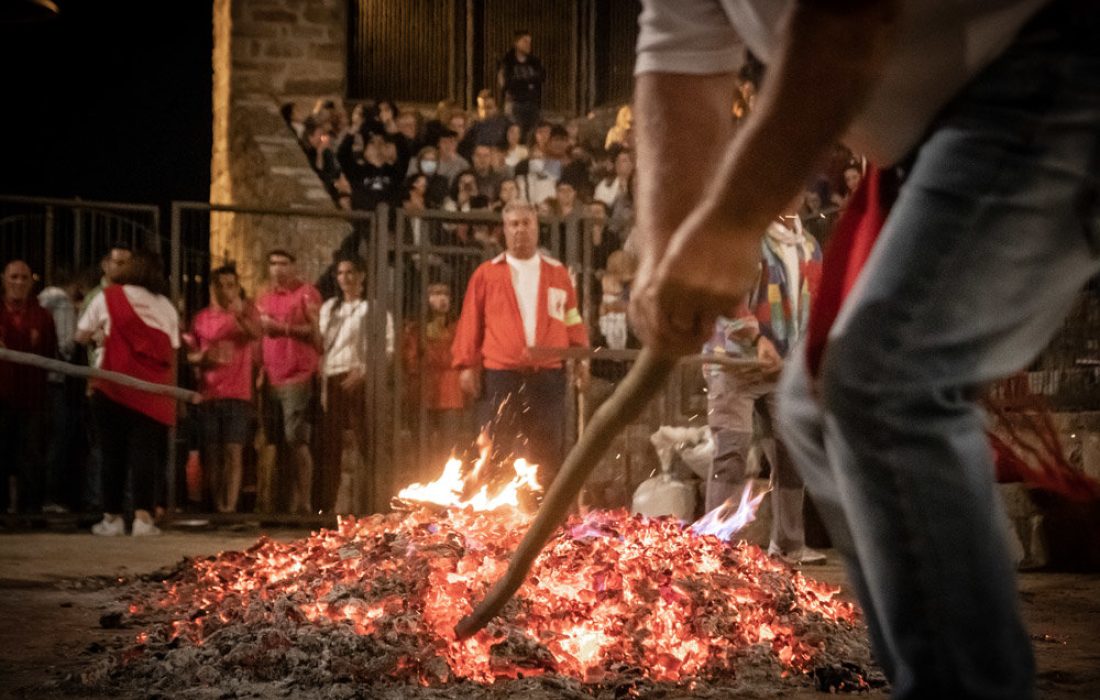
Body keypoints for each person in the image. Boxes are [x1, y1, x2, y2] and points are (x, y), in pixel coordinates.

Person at [628, 1, 1098, 696]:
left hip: (1052, 65)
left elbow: (847, 21)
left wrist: (729, 224)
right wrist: (668, 247)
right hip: (930, 132)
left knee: (886, 384)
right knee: (816, 405)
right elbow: (680, 59)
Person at [703, 201, 825, 565]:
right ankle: (716, 546)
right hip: (735, 364)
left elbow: (814, 306)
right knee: (731, 452)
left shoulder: (810, 247)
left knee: (791, 454)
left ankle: (788, 544)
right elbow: (728, 299)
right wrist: (757, 340)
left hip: (783, 369)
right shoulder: (746, 239)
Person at [451, 201, 590, 485]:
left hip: (547, 375)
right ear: (504, 230)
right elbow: (470, 321)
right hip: (500, 375)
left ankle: (543, 512)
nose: (520, 230)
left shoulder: (557, 273)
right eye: (514, 224)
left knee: (548, 445)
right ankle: (496, 515)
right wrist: (466, 364)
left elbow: (572, 316)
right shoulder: (486, 274)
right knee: (496, 443)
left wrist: (581, 354)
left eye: (526, 223)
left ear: (537, 228)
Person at [76, 249, 178, 536]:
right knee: (144, 454)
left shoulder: (108, 297)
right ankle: (143, 519)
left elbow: (80, 334)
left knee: (112, 454)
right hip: (151, 390)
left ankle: (113, 518)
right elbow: (173, 347)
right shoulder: (166, 306)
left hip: (112, 386)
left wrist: (100, 336)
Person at [317, 255, 393, 514]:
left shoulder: (372, 308)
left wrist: (365, 371)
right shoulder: (329, 307)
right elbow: (324, 346)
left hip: (359, 376)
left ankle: (369, 503)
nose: (345, 278)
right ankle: (331, 506)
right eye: (340, 273)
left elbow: (387, 346)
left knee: (364, 440)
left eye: (350, 272)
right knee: (331, 445)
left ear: (361, 276)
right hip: (333, 375)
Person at [187, 265, 261, 513]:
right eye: (221, 285)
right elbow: (190, 354)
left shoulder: (245, 314)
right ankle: (218, 507)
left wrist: (239, 314)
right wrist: (203, 357)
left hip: (237, 392)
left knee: (233, 450)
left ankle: (229, 508)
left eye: (231, 285)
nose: (226, 290)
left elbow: (256, 334)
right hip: (209, 392)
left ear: (238, 287)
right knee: (213, 452)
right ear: (212, 287)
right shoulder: (201, 318)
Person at [256, 249, 322, 516]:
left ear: (295, 266)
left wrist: (283, 329)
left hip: (298, 376)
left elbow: (317, 332)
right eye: (273, 264)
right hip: (270, 378)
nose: (278, 269)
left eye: (284, 263)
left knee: (296, 440)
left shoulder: (307, 294)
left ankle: (303, 503)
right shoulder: (264, 297)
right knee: (273, 442)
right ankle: (276, 504)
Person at [0, 260, 58, 514]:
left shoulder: (42, 316)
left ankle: (30, 511)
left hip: (32, 397)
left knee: (31, 455)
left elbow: (49, 352)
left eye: (24, 277)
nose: (19, 282)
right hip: (1, 397)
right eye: (14, 277)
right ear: (3, 279)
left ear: (32, 282)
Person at [401, 283, 467, 473]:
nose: (442, 298)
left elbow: (458, 356)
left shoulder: (458, 326)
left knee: (450, 451)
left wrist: (430, 354)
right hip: (424, 393)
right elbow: (411, 361)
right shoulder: (415, 329)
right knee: (421, 449)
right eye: (436, 294)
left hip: (450, 394)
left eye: (446, 293)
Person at [37, 268, 86, 513]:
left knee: (42, 439)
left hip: (39, 378)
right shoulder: (63, 302)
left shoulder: (42, 299)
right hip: (57, 380)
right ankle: (52, 497)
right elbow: (66, 346)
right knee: (59, 440)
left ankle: (38, 498)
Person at [497, 30, 546, 140]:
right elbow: (507, 84)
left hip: (532, 103)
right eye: (525, 41)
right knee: (516, 133)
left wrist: (523, 81)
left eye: (529, 42)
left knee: (533, 135)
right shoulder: (507, 62)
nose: (528, 45)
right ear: (516, 43)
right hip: (515, 103)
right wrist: (528, 82)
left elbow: (541, 78)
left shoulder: (534, 62)